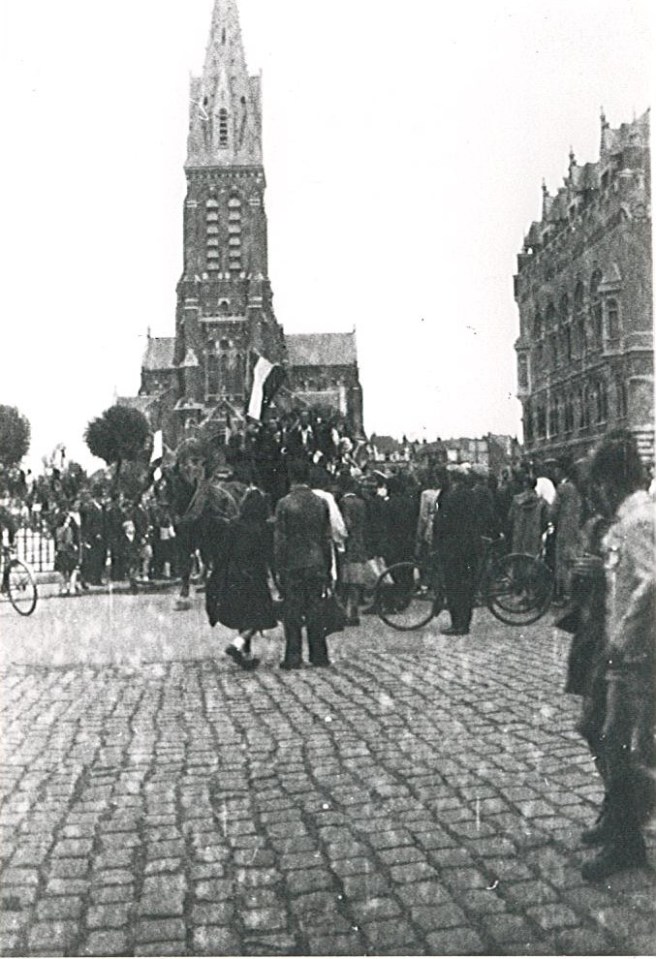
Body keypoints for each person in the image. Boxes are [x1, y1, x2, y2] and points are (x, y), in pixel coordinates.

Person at [579, 430, 655, 881]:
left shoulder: (636, 522)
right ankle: (623, 832)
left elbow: (650, 584)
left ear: (611, 480)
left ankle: (627, 844)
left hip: (637, 655)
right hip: (631, 652)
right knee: (618, 741)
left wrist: (621, 643)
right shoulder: (633, 519)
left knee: (622, 745)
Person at [206, 487, 277, 671]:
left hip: (234, 575)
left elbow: (223, 553)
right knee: (259, 615)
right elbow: (268, 555)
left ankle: (246, 655)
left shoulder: (234, 524)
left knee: (244, 614)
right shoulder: (263, 527)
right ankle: (237, 645)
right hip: (254, 576)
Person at [274, 458, 332, 669]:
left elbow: (280, 540)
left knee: (292, 611)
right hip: (316, 561)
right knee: (316, 609)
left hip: (293, 563)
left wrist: (278, 568)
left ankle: (293, 655)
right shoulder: (320, 503)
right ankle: (319, 654)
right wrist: (328, 566)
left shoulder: (284, 504)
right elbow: (326, 538)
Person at [434, 465, 479, 635]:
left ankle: (457, 624)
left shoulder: (453, 497)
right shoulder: (472, 495)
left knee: (454, 585)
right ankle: (464, 622)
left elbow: (442, 521)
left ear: (454, 479)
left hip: (453, 547)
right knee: (466, 586)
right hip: (470, 546)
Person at [338, 472, 370, 625]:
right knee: (356, 581)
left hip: (349, 544)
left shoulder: (344, 502)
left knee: (345, 581)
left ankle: (344, 612)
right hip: (360, 542)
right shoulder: (361, 502)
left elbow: (346, 523)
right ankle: (354, 612)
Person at [551, 458, 583, 605]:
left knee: (564, 563)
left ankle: (566, 595)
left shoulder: (562, 488)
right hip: (578, 529)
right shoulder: (579, 487)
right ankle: (576, 594)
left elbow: (553, 511)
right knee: (575, 561)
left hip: (564, 529)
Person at [508, 473, 549, 556]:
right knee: (531, 561)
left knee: (517, 559)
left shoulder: (516, 500)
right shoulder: (542, 502)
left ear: (524, 484)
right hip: (534, 536)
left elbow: (510, 517)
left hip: (518, 535)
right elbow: (546, 521)